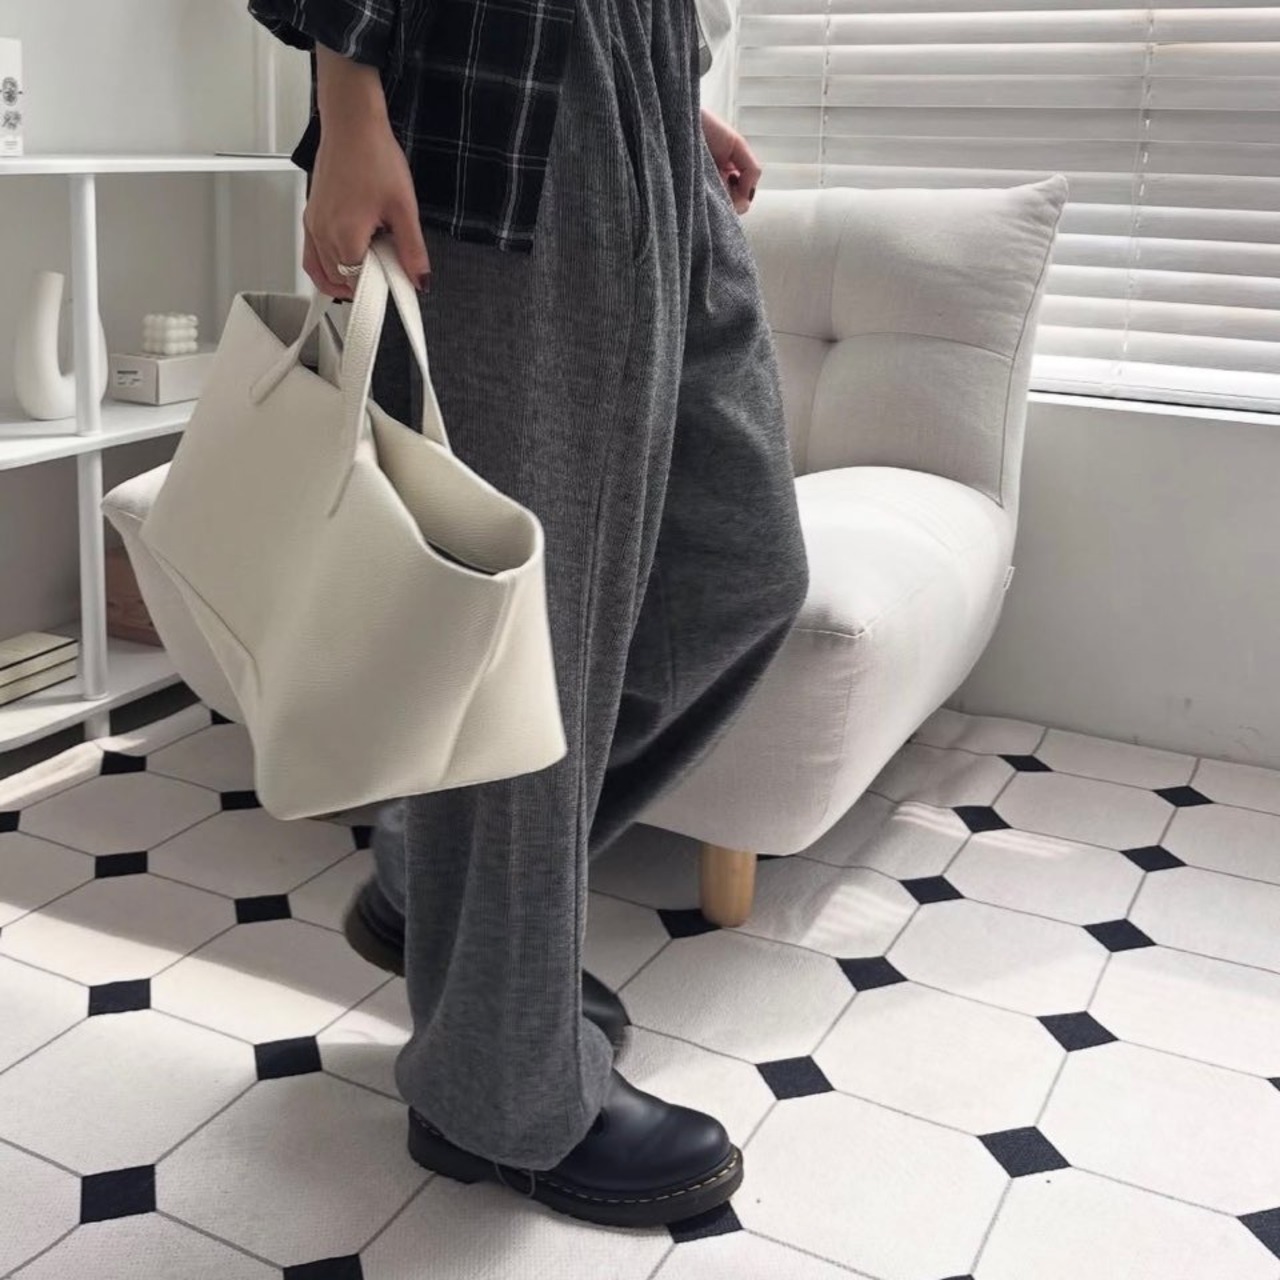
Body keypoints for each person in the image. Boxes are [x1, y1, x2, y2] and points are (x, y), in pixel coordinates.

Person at [249, 0, 809, 1228]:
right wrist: (349, 104)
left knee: (743, 567)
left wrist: (665, 103)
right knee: (529, 635)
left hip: (642, 90)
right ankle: (493, 1090)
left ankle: (436, 889)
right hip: (502, 93)